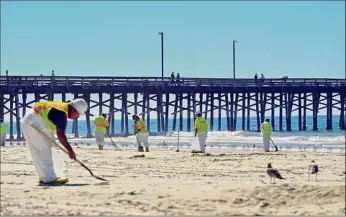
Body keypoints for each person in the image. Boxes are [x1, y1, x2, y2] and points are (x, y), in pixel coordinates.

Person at [21, 98, 88, 185]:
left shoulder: (62, 109)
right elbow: (61, 135)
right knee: (43, 150)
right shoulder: (61, 113)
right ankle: (48, 178)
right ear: (73, 109)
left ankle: (49, 176)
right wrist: (70, 150)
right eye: (78, 114)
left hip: (32, 119)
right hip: (34, 122)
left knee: (47, 150)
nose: (77, 117)